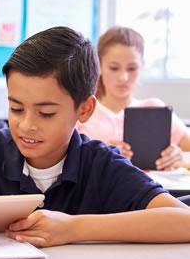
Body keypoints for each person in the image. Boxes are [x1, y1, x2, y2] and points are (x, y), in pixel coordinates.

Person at [0, 26, 190, 247]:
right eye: (16, 108)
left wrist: (73, 228)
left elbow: (184, 221)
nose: (26, 125)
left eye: (45, 113)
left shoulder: (100, 163)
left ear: (84, 109)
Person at [76, 26, 190, 170]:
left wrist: (181, 158)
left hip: (153, 189)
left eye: (132, 68)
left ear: (142, 66)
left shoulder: (155, 109)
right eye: (114, 68)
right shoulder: (83, 111)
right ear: (99, 66)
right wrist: (102, 153)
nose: (123, 78)